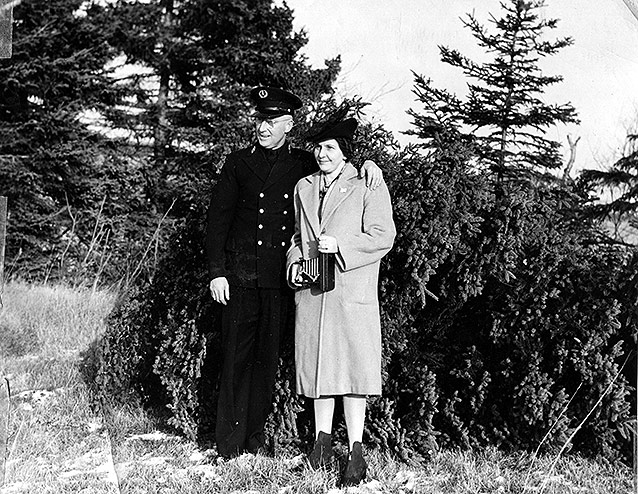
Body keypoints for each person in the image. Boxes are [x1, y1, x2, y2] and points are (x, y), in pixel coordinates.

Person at [206, 86, 383, 459]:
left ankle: (254, 440)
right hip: (240, 277)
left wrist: (370, 166)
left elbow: (342, 166)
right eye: (260, 119)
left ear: (288, 123)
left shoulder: (303, 165)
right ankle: (228, 444)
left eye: (271, 120)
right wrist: (217, 271)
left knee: (266, 363)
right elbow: (217, 221)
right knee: (235, 360)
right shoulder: (238, 163)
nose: (263, 127)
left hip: (279, 283)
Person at [286, 115, 396, 486]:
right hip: (313, 294)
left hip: (351, 292)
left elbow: (384, 235)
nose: (322, 154)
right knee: (319, 370)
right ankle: (320, 444)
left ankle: (355, 451)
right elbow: (298, 239)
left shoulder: (366, 182)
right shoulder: (304, 186)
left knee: (352, 373)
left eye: (330, 148)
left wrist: (343, 247)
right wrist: (293, 265)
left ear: (345, 153)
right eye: (318, 147)